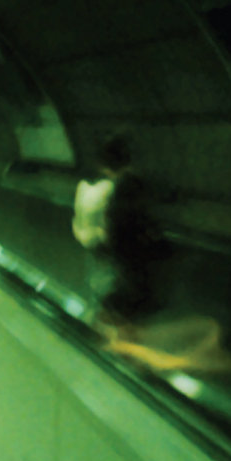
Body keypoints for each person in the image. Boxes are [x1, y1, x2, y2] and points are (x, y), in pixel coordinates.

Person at [73, 133, 165, 329]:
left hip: (99, 244)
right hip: (122, 250)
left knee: (104, 287)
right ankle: (117, 329)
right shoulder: (122, 186)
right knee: (121, 292)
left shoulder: (90, 186)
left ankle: (100, 325)